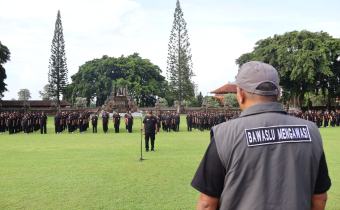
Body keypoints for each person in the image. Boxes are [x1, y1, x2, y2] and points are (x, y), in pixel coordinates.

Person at [191, 61, 331, 210]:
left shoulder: (225, 134)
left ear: (240, 94)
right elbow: (320, 197)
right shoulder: (310, 131)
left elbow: (207, 204)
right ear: (277, 94)